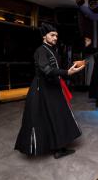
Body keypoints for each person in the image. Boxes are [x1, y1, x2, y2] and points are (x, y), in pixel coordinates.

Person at [15, 23, 84, 159]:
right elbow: (46, 69)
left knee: (56, 115)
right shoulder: (41, 50)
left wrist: (70, 68)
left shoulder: (52, 50)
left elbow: (55, 68)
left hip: (52, 87)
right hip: (43, 88)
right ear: (44, 36)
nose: (55, 38)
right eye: (52, 35)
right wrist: (67, 72)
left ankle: (59, 147)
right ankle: (58, 148)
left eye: (56, 36)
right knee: (49, 116)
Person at [86, 36, 98, 108]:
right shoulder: (95, 49)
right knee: (97, 84)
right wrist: (87, 44)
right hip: (97, 69)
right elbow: (88, 50)